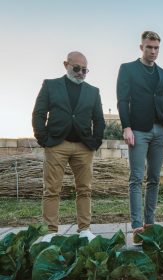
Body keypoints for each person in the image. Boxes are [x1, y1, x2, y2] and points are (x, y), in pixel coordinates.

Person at [32, 51, 105, 242]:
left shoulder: (93, 91)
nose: (81, 73)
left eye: (85, 70)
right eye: (77, 68)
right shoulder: (50, 85)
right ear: (66, 65)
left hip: (84, 147)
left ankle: (85, 230)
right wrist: (43, 139)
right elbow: (39, 114)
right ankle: (50, 232)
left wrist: (95, 142)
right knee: (51, 189)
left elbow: (99, 119)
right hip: (56, 145)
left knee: (85, 189)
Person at [117, 31, 163, 244]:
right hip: (138, 129)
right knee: (136, 178)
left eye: (156, 47)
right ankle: (137, 226)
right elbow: (122, 99)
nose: (153, 51)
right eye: (149, 47)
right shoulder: (128, 69)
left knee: (155, 179)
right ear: (141, 47)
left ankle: (150, 223)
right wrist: (126, 127)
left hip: (160, 129)